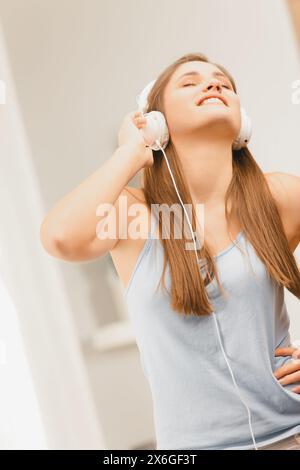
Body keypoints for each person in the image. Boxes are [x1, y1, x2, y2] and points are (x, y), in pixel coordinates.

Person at [40, 52, 300, 450]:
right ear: (156, 122)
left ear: (241, 125)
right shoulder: (135, 215)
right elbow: (60, 237)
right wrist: (131, 151)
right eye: (190, 82)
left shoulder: (278, 197)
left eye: (224, 83)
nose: (213, 85)